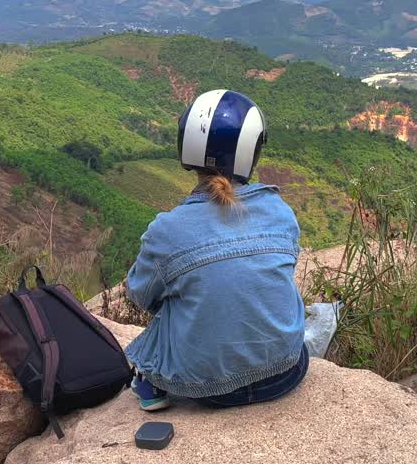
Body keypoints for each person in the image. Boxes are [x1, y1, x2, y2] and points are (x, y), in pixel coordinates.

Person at [124, 89, 308, 411]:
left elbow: (141, 296)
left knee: (172, 309)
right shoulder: (281, 212)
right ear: (251, 152)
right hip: (287, 372)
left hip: (208, 389)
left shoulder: (167, 230)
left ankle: (151, 385)